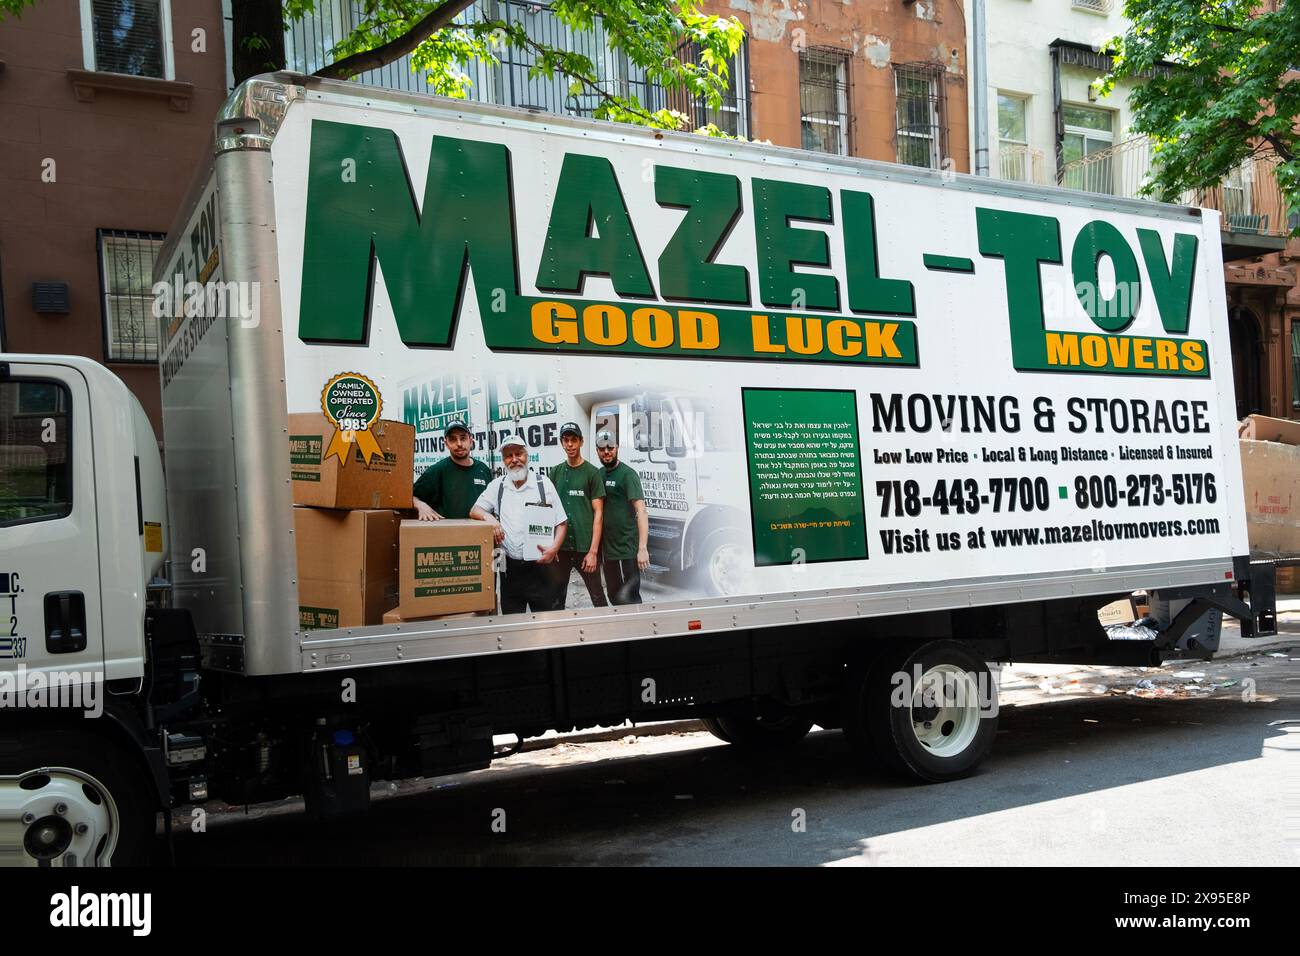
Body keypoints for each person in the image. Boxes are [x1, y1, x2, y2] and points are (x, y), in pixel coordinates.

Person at [470, 433, 566, 613]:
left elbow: (561, 522)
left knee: (545, 624)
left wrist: (554, 548)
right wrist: (489, 519)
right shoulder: (497, 486)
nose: (514, 460)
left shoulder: (543, 484)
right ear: (504, 460)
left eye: (518, 454)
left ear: (526, 455)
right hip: (510, 570)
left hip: (541, 569)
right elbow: (475, 510)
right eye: (508, 455)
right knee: (512, 625)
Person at [549, 422, 607, 609]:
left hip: (585, 549)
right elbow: (549, 511)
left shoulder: (592, 473)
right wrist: (553, 546)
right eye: (566, 440)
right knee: (556, 600)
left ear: (581, 442)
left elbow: (599, 514)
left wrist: (593, 552)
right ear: (561, 443)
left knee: (598, 598)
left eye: (574, 440)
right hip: (562, 549)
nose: (570, 445)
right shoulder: (555, 472)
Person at [594, 429, 649, 605]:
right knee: (613, 594)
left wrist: (642, 548)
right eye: (602, 448)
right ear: (597, 450)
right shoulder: (599, 474)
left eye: (610, 447)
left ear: (617, 447)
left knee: (631, 597)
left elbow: (641, 510)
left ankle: (638, 629)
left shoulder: (628, 474)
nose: (607, 452)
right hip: (608, 550)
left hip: (627, 548)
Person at [412, 418, 491, 520]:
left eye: (463, 438)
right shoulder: (437, 470)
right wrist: (421, 506)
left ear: (470, 441)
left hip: (479, 533)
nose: (459, 444)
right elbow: (411, 496)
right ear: (446, 444)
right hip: (449, 533)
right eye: (453, 439)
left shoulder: (483, 469)